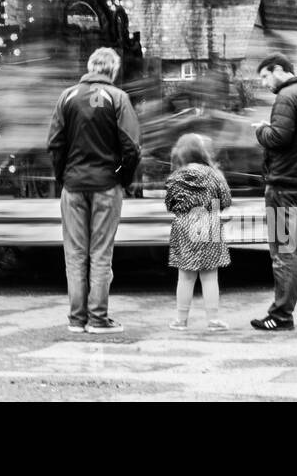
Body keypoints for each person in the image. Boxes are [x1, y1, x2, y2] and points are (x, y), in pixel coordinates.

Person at [47, 46, 141, 334]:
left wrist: (63, 177)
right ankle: (98, 319)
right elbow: (131, 147)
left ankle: (77, 319)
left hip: (73, 186)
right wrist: (121, 179)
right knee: (100, 254)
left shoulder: (68, 96)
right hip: (105, 187)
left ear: (90, 67)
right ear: (112, 70)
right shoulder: (118, 98)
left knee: (75, 254)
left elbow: (54, 144)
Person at [250, 53, 297, 331]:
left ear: (279, 70)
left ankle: (281, 315)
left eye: (264, 76)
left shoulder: (286, 97)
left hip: (283, 188)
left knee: (284, 252)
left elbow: (279, 138)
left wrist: (261, 131)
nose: (264, 83)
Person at [164, 133, 232, 332]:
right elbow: (226, 200)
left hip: (185, 224)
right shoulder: (214, 174)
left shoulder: (176, 176)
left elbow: (170, 204)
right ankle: (213, 320)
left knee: (185, 277)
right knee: (210, 277)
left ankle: (180, 320)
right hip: (209, 223)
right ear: (201, 152)